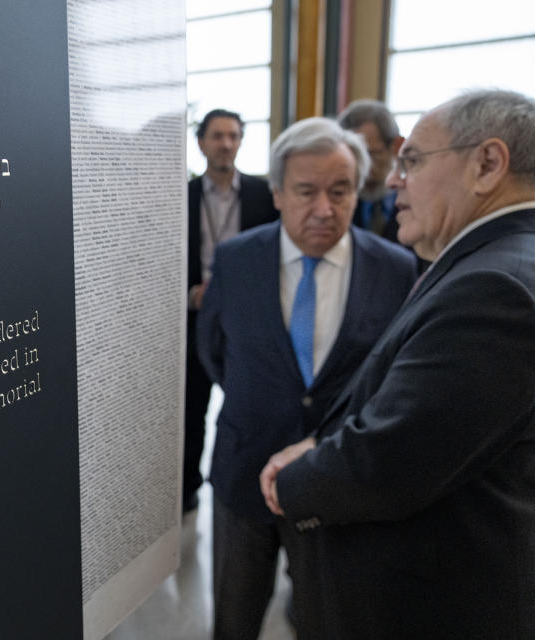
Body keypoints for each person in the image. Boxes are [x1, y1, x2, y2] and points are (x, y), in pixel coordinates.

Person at [260, 89, 535, 639]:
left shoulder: (495, 285)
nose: (391, 180)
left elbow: (393, 459)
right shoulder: (490, 262)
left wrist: (293, 483)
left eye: (412, 161)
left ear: (487, 165)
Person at [196, 117, 416, 639]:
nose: (324, 208)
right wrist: (263, 399)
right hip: (245, 467)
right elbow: (213, 351)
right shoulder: (236, 259)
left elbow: (391, 373)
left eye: (339, 191)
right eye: (306, 191)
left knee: (328, 619)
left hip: (337, 480)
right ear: (275, 192)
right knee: (234, 615)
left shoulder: (394, 268)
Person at [184, 108, 278, 512]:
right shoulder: (180, 196)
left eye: (234, 136)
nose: (226, 144)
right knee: (190, 407)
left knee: (248, 404)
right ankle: (186, 488)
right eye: (218, 136)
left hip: (245, 320)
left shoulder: (264, 195)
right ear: (201, 142)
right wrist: (187, 295)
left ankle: (251, 487)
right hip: (190, 317)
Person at [337, 99, 405, 242]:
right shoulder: (335, 206)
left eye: (370, 154)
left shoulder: (418, 202)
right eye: (351, 157)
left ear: (396, 146)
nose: (359, 167)